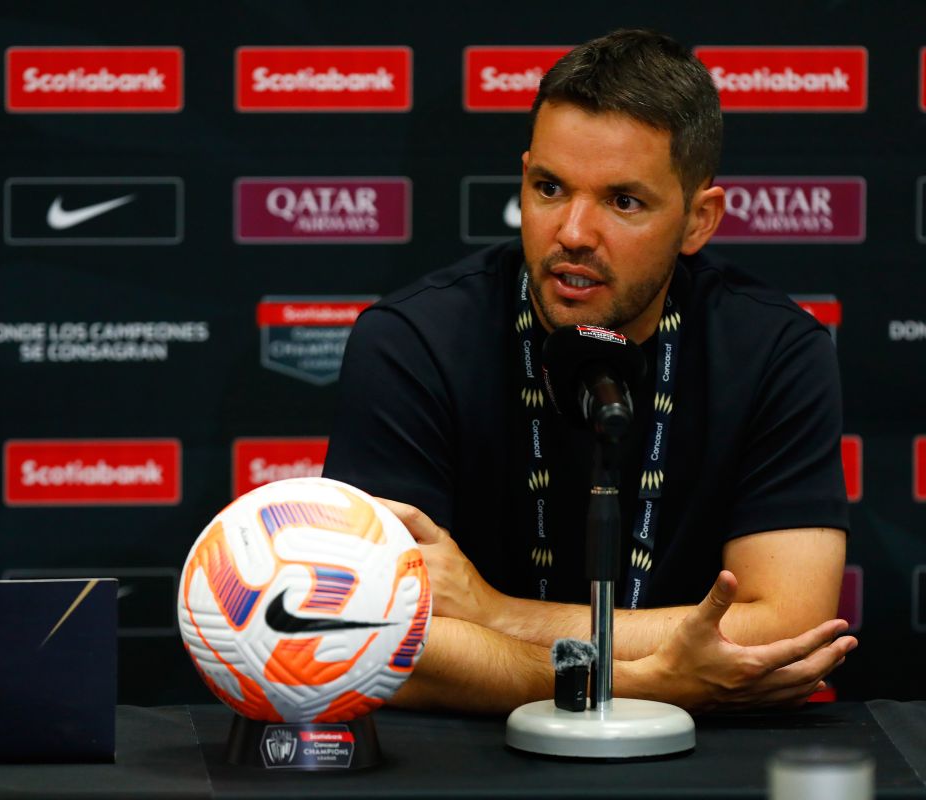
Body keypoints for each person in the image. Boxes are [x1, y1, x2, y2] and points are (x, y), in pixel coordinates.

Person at [323, 29, 855, 713]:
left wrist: (493, 613)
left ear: (699, 221)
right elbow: (380, 634)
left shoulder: (777, 350)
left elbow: (786, 627)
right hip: (465, 763)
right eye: (549, 188)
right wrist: (644, 682)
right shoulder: (413, 342)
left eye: (622, 201)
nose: (572, 231)